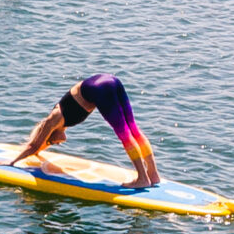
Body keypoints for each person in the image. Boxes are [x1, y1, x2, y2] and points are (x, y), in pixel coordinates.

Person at [14, 73, 160, 189]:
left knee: (125, 134)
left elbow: (33, 146)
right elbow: (38, 147)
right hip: (111, 80)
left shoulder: (53, 119)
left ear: (51, 133)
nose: (56, 143)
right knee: (133, 130)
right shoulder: (61, 121)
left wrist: (11, 162)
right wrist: (40, 150)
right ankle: (153, 175)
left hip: (101, 89)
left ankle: (142, 178)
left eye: (51, 142)